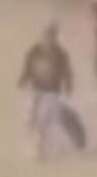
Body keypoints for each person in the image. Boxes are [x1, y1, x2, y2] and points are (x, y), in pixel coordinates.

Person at [19, 24, 76, 160]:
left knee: (44, 122)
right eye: (45, 37)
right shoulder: (34, 51)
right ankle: (32, 142)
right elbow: (28, 67)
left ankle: (40, 150)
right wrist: (23, 79)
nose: (47, 40)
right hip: (35, 89)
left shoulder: (61, 55)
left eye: (51, 37)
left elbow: (67, 73)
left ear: (55, 39)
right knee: (29, 118)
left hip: (52, 93)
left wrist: (69, 86)